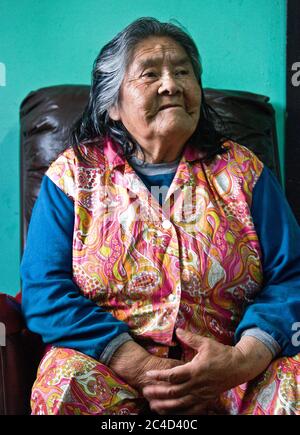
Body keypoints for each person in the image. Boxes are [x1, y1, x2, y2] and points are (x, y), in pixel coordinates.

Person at [21, 17, 300, 415]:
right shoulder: (72, 177)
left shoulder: (243, 172)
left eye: (183, 72)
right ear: (113, 105)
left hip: (233, 375)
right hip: (111, 372)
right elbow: (43, 291)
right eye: (150, 74)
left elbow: (292, 278)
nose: (171, 84)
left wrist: (243, 359)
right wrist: (143, 367)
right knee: (63, 382)